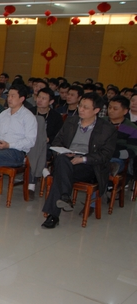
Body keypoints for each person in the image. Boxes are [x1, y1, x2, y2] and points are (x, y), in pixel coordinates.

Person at [41, 93, 117, 228]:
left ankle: (54, 213)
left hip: (89, 166)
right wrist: (64, 152)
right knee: (62, 161)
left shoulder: (107, 129)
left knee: (60, 173)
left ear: (96, 110)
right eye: (80, 106)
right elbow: (57, 141)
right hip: (67, 160)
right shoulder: (71, 121)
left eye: (86, 107)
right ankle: (64, 197)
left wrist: (83, 159)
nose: (81, 109)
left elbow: (105, 155)